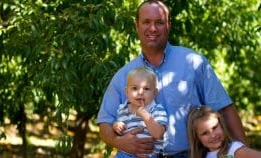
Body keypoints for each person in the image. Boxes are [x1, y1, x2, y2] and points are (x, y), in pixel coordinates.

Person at [97, 0, 246, 157]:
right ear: (137, 25)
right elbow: (105, 123)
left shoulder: (193, 62)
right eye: (146, 22)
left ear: (169, 25)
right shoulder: (124, 75)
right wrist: (120, 142)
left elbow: (224, 108)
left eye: (159, 22)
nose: (152, 28)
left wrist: (243, 151)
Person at [113, 67, 167, 157]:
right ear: (127, 92)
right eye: (134, 88)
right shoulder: (123, 109)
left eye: (146, 88)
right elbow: (120, 133)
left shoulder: (157, 110)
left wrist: (145, 116)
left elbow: (158, 134)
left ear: (155, 92)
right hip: (124, 154)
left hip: (149, 155)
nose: (140, 92)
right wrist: (116, 126)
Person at [187, 106, 261, 158]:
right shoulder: (204, 156)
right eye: (205, 133)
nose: (213, 135)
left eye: (214, 127)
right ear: (197, 137)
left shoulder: (234, 150)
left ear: (221, 125)